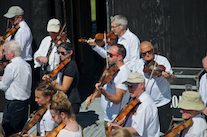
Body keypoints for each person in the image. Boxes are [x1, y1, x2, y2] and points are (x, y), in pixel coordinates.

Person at [85, 44, 131, 137]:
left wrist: (104, 93)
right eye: (107, 54)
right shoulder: (112, 70)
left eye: (111, 55)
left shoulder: (123, 73)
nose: (108, 57)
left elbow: (118, 99)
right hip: (108, 117)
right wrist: (92, 96)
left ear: (120, 57)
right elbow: (104, 87)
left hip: (116, 119)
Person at [132, 41, 175, 133]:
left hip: (162, 102)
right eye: (144, 53)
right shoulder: (138, 64)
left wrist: (168, 77)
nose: (147, 54)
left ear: (153, 50)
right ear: (141, 54)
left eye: (149, 51)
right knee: (148, 130)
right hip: (145, 104)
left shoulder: (163, 61)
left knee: (165, 131)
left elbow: (171, 80)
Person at [108, 72, 160, 137]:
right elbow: (127, 117)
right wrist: (115, 123)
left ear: (141, 85)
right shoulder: (135, 98)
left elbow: (137, 131)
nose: (129, 89)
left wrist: (118, 129)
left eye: (131, 86)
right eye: (128, 86)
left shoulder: (145, 105)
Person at [0, 41, 32, 136]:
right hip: (25, 104)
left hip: (14, 105)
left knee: (8, 132)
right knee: (20, 133)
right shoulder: (26, 65)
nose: (4, 54)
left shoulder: (11, 66)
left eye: (5, 51)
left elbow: (3, 86)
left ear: (12, 53)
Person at [43, 42, 81, 115]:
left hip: (70, 101)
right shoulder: (64, 64)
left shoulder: (71, 67)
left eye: (63, 53)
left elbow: (64, 88)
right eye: (58, 52)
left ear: (70, 52)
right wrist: (49, 80)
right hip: (63, 100)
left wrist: (52, 83)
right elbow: (59, 80)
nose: (60, 55)